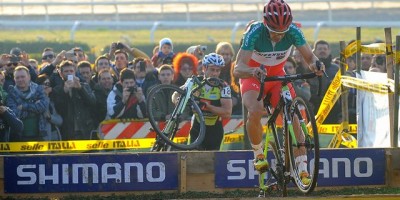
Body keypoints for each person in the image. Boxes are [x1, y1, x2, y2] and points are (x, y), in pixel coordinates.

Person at [233, 0, 324, 183]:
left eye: (283, 32)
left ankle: (303, 168)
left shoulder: (294, 32)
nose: (279, 37)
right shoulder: (255, 32)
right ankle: (258, 154)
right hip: (253, 77)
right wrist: (252, 71)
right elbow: (238, 68)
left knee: (295, 117)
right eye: (275, 32)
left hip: (277, 78)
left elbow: (310, 57)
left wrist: (316, 65)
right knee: (256, 111)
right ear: (266, 25)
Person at [188, 53, 232, 150]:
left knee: (213, 163)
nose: (215, 73)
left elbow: (227, 113)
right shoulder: (194, 82)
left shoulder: (223, 86)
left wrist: (208, 106)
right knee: (192, 161)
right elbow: (176, 93)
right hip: (196, 128)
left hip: (215, 131)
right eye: (212, 69)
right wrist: (177, 100)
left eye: (218, 70)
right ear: (204, 68)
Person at [52, 60, 96, 140]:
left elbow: (92, 103)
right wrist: (64, 92)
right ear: (61, 74)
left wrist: (80, 89)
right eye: (66, 71)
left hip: (85, 128)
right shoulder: (57, 90)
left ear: (75, 72)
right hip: (68, 131)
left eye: (71, 71)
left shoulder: (84, 86)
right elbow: (59, 109)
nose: (69, 73)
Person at [7, 66, 49, 141]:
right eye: (17, 77)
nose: (20, 79)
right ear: (14, 79)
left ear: (29, 77)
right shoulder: (11, 93)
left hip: (39, 135)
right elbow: (14, 114)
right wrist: (34, 109)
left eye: (23, 77)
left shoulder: (39, 89)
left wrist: (23, 107)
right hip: (19, 137)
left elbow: (43, 107)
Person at [36, 74, 63, 141]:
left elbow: (60, 120)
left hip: (54, 135)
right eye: (44, 84)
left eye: (48, 84)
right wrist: (45, 95)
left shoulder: (52, 101)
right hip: (41, 137)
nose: (46, 86)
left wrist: (50, 117)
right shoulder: (35, 100)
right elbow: (44, 108)